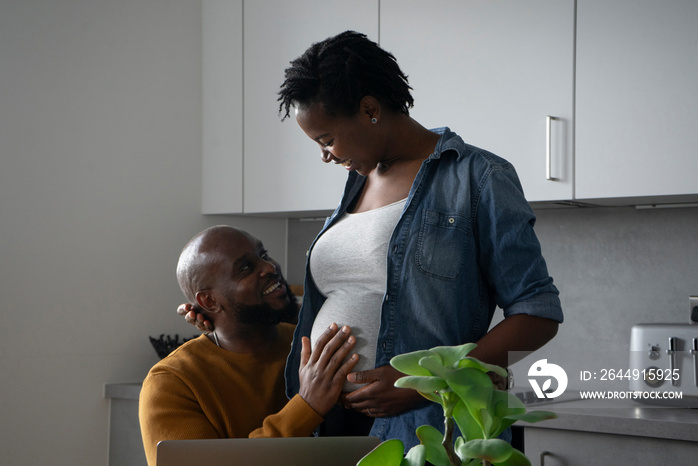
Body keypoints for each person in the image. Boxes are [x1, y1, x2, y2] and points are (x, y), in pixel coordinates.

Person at [183, 30, 563, 450]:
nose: (325, 155)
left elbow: (537, 312)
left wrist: (423, 383)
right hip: (323, 424)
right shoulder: (356, 181)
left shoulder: (479, 177)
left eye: (327, 139)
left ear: (369, 109)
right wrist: (225, 316)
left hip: (422, 428)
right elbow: (353, 294)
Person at [140, 226, 358, 466]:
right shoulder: (170, 383)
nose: (270, 267)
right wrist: (306, 407)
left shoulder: (310, 343)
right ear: (209, 301)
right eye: (245, 268)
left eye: (263, 255)